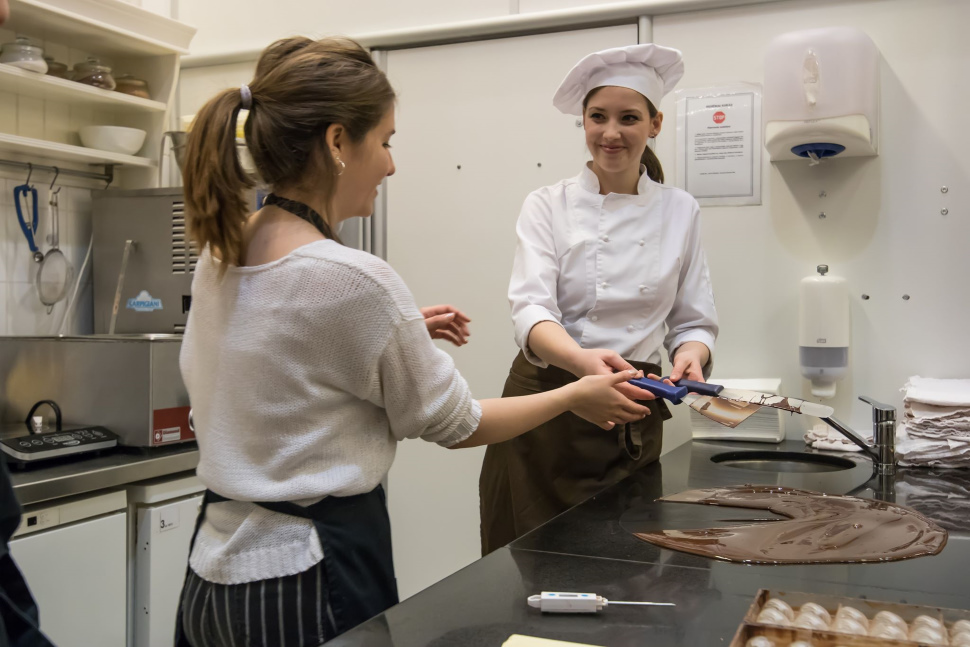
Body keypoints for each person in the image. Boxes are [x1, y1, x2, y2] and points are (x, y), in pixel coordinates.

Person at [176, 36, 654, 646]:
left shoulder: (222, 252)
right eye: (386, 141)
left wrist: (396, 334)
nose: (392, 164)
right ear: (337, 143)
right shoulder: (354, 279)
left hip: (212, 574)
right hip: (305, 577)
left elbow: (269, 353)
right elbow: (460, 424)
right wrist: (573, 396)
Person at [479, 44, 719, 555]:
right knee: (528, 562)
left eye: (628, 118)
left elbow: (693, 318)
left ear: (654, 124)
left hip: (633, 405)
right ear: (583, 122)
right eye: (598, 117)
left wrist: (690, 355)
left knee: (626, 560)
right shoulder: (548, 204)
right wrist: (583, 364)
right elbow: (531, 310)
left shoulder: (681, 209)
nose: (611, 133)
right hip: (545, 401)